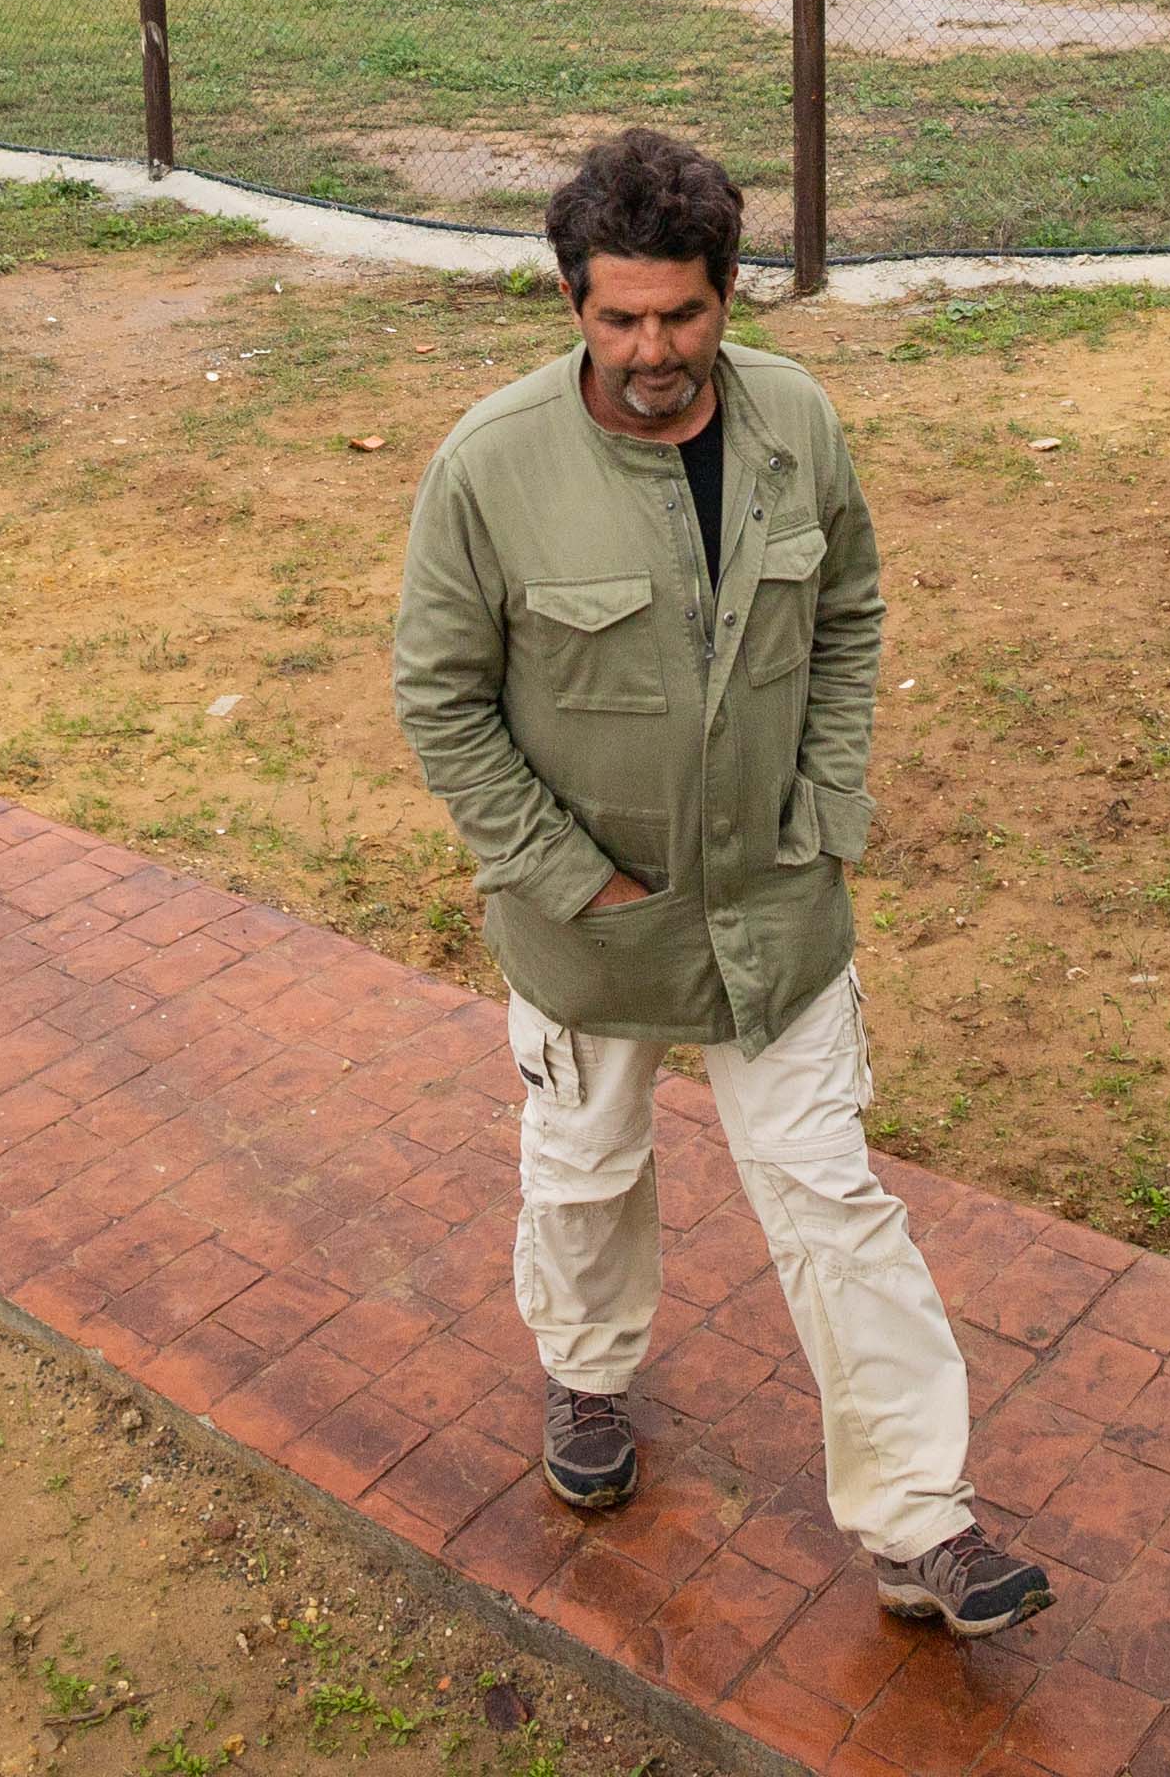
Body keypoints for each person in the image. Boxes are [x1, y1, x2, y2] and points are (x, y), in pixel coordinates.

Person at [388, 129, 1053, 1640]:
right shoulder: (488, 471)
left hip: (778, 909)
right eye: (618, 318)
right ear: (572, 304)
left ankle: (922, 1522)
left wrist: (825, 804)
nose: (652, 352)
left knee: (834, 1199)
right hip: (591, 935)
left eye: (681, 315)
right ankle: (588, 1376)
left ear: (726, 293)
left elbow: (850, 608)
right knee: (586, 1172)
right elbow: (440, 700)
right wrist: (569, 876)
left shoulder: (796, 424)